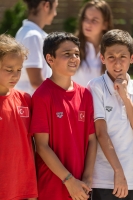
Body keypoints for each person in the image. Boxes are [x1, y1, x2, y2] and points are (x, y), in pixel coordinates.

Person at [30, 32, 97, 200]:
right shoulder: (41, 96)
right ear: (50, 59)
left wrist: (87, 178)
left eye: (76, 53)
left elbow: (92, 140)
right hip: (52, 187)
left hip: (81, 188)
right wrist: (69, 180)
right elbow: (42, 146)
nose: (74, 58)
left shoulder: (85, 95)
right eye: (67, 54)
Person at [87, 29, 133, 200]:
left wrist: (125, 96)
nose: (117, 64)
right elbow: (101, 132)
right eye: (111, 57)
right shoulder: (95, 87)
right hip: (106, 179)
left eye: (123, 57)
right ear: (102, 58)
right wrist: (118, 171)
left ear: (131, 58)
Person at [0, 34, 38, 200]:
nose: (15, 75)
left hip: (24, 189)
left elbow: (33, 145)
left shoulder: (26, 99)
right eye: (9, 70)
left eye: (19, 70)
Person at [15, 0, 58, 95]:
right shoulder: (32, 36)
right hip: (33, 103)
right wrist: (61, 94)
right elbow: (36, 81)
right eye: (55, 7)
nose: (55, 13)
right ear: (46, 6)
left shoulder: (28, 32)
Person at [72, 0, 113, 87]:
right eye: (85, 19)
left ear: (105, 25)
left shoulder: (112, 51)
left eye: (94, 20)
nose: (88, 24)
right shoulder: (71, 47)